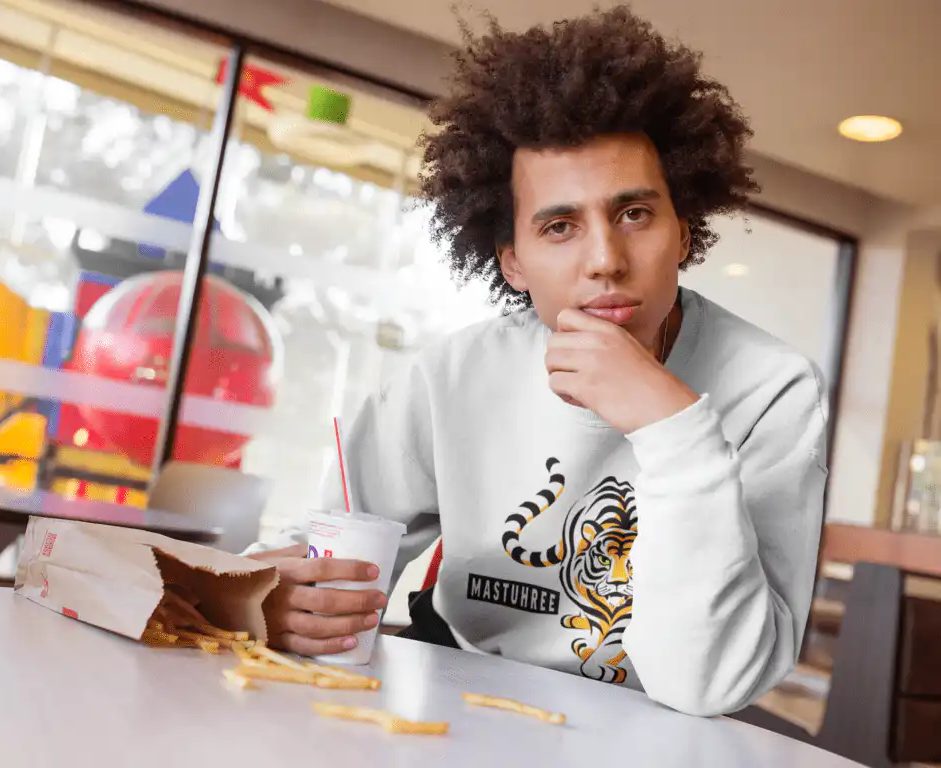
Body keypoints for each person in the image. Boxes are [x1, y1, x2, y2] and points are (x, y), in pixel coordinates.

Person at [245, 5, 828, 717]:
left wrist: (670, 425)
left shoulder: (772, 389)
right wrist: (277, 600)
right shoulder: (453, 376)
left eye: (635, 214)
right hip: (456, 700)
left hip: (659, 728)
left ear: (684, 231)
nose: (605, 260)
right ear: (513, 263)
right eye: (559, 226)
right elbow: (319, 552)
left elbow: (712, 684)